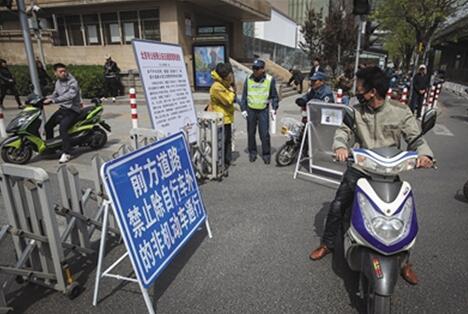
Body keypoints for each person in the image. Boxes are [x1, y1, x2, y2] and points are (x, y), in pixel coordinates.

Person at [308, 66, 434, 286]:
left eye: (360, 88)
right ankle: (328, 243)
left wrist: (425, 155)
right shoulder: (356, 111)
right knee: (338, 204)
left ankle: (404, 261)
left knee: (405, 214)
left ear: (372, 91)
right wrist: (340, 146)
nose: (357, 91)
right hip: (361, 169)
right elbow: (343, 132)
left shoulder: (400, 111)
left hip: (390, 172)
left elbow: (416, 139)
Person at [240, 59, 279, 164]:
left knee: (264, 134)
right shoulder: (248, 78)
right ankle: (252, 153)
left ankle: (266, 154)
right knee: (251, 133)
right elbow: (244, 96)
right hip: (251, 110)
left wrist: (274, 108)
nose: (255, 71)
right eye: (254, 68)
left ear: (263, 69)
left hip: (263, 110)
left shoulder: (270, 80)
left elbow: (274, 96)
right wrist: (243, 109)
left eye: (257, 68)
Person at [44, 63, 81, 163]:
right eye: (61, 72)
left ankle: (66, 153)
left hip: (73, 110)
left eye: (65, 71)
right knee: (48, 126)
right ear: (55, 73)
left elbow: (70, 95)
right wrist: (47, 99)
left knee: (62, 128)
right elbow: (55, 94)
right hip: (63, 109)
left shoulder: (72, 82)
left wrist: (54, 101)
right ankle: (51, 148)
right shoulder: (58, 82)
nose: (63, 73)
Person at [209, 62, 236, 168]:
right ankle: (219, 164)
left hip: (227, 117)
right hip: (220, 118)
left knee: (227, 141)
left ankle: (227, 161)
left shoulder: (224, 83)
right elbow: (228, 100)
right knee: (221, 142)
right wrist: (232, 92)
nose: (231, 76)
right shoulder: (216, 87)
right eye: (229, 75)